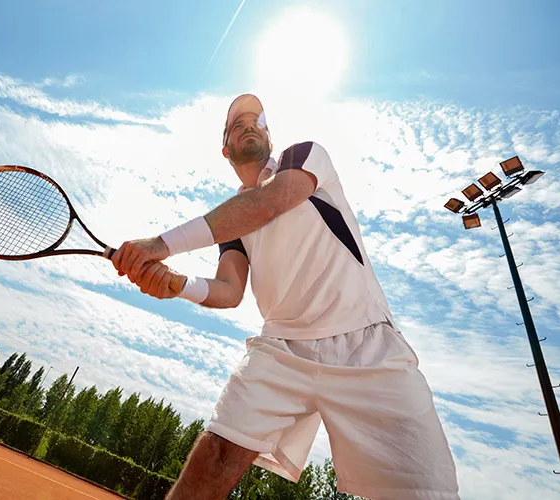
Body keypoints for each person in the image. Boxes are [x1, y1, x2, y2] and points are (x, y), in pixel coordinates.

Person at [111, 94, 460, 500]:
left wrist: (160, 245)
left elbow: (268, 203)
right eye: (236, 124)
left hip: (368, 343)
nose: (247, 124)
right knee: (216, 456)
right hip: (280, 351)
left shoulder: (305, 156)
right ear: (226, 150)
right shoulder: (232, 226)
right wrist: (176, 284)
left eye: (255, 120)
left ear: (269, 137)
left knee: (427, 492)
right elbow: (228, 292)